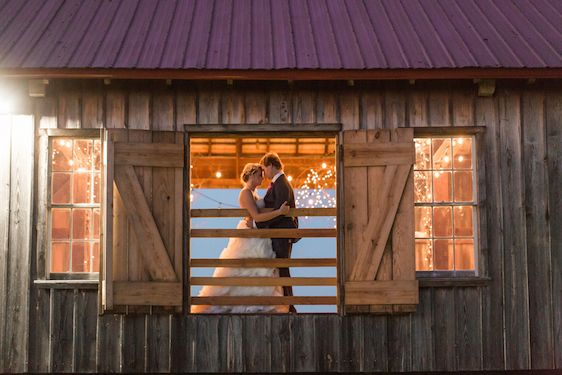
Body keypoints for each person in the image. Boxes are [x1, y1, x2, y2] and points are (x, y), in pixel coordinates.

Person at [191, 163, 290, 314]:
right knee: (243, 269)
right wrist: (279, 213)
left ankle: (257, 302)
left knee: (258, 269)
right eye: (259, 175)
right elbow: (256, 216)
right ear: (251, 175)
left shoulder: (253, 193)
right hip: (249, 235)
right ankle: (234, 304)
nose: (262, 179)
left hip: (257, 234)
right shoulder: (245, 193)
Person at [256, 152, 299, 313]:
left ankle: (290, 305)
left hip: (282, 234)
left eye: (264, 168)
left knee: (283, 268)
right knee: (281, 268)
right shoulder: (279, 182)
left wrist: (260, 222)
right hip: (279, 233)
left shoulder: (281, 184)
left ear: (271, 165)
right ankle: (286, 304)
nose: (264, 173)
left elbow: (280, 211)